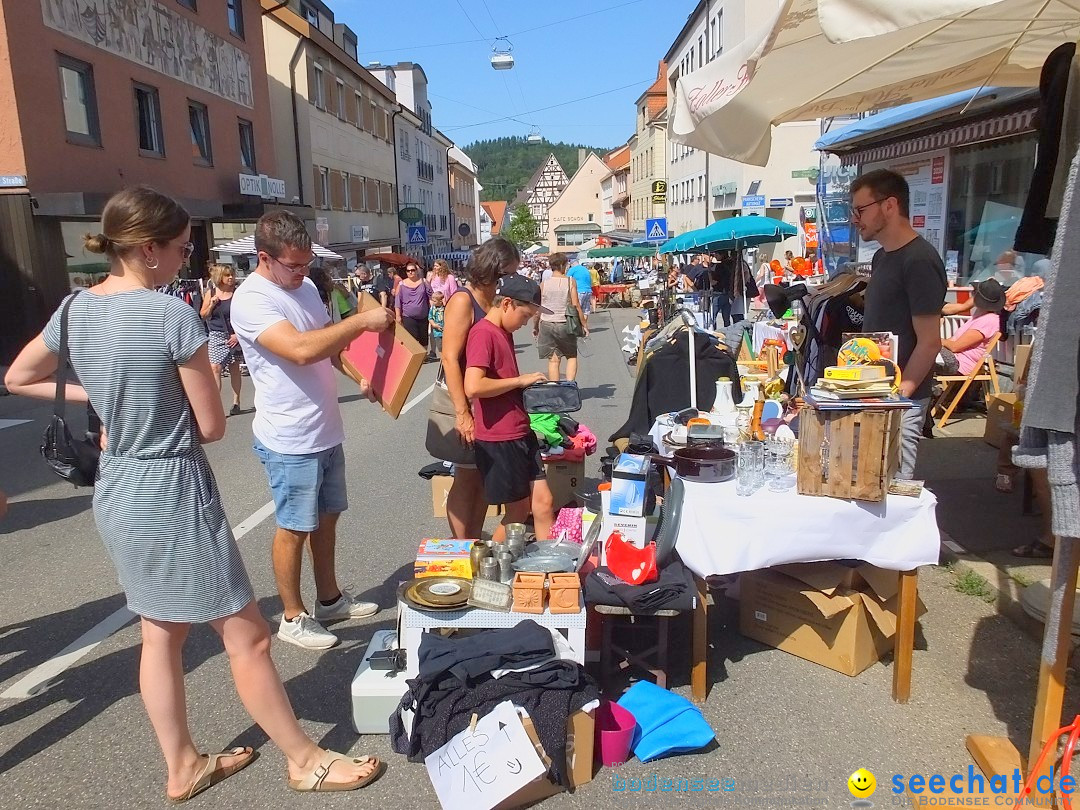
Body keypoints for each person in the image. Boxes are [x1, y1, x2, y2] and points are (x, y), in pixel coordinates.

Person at [3, 187, 384, 798]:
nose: (187, 257)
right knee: (249, 636)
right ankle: (304, 757)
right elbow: (208, 425)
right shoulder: (169, 315)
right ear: (148, 249)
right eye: (181, 247)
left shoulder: (74, 309)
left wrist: (106, 402)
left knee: (161, 631)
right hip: (173, 487)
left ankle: (182, 764)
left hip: (117, 490)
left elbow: (19, 377)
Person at [231, 211, 395, 651]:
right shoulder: (251, 299)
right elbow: (301, 350)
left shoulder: (302, 287)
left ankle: (329, 599)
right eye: (294, 265)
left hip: (323, 428)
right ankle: (292, 615)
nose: (304, 273)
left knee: (327, 519)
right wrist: (360, 322)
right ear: (264, 258)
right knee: (293, 526)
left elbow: (326, 339)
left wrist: (361, 371)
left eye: (307, 264)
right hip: (289, 436)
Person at [851, 168, 947, 479]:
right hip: (876, 393)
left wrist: (899, 394)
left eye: (860, 209)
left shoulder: (919, 260)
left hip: (900, 401)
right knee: (870, 480)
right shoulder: (882, 257)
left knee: (895, 488)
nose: (855, 219)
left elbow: (930, 342)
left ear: (889, 205)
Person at [437, 238, 521, 539]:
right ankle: (462, 544)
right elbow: (449, 357)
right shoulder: (463, 300)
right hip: (462, 397)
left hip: (486, 398)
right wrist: (462, 413)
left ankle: (473, 537)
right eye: (509, 273)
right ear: (493, 270)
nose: (512, 279)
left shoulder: (493, 300)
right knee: (465, 475)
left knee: (483, 474)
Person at [464, 274, 555, 542]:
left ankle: (547, 569)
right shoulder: (483, 333)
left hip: (519, 429)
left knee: (543, 502)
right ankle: (486, 562)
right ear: (506, 304)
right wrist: (519, 380)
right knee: (517, 510)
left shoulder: (502, 331)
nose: (525, 323)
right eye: (524, 316)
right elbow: (473, 386)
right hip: (501, 437)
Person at [533, 253, 588, 383]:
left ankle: (555, 388)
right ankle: (569, 386)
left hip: (546, 323)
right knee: (571, 355)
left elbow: (537, 309)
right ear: (563, 265)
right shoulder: (570, 282)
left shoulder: (544, 284)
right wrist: (584, 324)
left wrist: (535, 327)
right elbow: (576, 306)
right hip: (565, 323)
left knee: (553, 359)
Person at [199, 264, 245, 416]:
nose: (231, 278)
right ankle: (215, 406)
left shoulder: (238, 294)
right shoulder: (211, 293)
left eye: (232, 274)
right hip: (216, 335)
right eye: (227, 275)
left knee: (234, 368)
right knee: (215, 368)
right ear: (219, 277)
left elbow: (246, 317)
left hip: (235, 335)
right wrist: (211, 305)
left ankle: (236, 401)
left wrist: (238, 334)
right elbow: (203, 315)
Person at [934, 279, 1004, 376]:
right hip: (954, 358)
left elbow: (955, 347)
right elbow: (953, 341)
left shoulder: (989, 321)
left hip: (959, 363)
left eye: (973, 293)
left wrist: (935, 340)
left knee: (919, 350)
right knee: (917, 350)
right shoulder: (978, 317)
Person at [395, 261, 432, 357]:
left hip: (423, 315)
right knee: (413, 337)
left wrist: (433, 311)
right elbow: (398, 302)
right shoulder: (402, 284)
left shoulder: (424, 282)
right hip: (408, 316)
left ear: (416, 271)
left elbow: (431, 297)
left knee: (423, 337)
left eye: (412, 270)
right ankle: (416, 356)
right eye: (408, 271)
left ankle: (424, 356)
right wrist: (398, 315)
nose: (410, 272)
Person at [566, 259, 593, 329]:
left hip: (579, 290)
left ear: (571, 264)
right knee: (585, 311)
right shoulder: (585, 269)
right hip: (588, 290)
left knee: (577, 310)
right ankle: (584, 327)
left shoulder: (573, 269)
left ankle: (577, 328)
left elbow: (566, 279)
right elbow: (590, 280)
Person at [428, 291, 446, 361]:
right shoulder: (433, 309)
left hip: (445, 331)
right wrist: (434, 325)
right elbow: (430, 318)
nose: (433, 302)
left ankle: (446, 358)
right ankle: (443, 360)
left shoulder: (444, 308)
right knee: (440, 347)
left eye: (435, 301)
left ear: (440, 301)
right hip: (437, 332)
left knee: (446, 346)